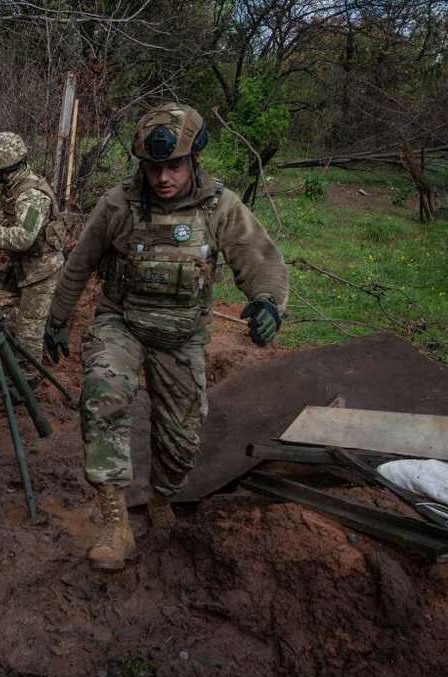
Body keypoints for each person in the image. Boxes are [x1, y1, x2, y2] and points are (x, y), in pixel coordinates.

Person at [42, 102, 289, 572]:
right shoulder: (119, 205)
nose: (162, 178)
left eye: (173, 165)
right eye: (153, 167)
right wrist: (56, 320)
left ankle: (161, 498)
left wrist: (267, 303)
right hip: (122, 322)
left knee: (181, 437)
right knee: (103, 392)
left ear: (193, 160)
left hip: (182, 336)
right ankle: (115, 521)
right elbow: (80, 264)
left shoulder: (221, 208)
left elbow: (260, 260)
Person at [0, 132, 66, 389]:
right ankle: (4, 361)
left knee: (29, 327)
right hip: (21, 265)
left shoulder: (32, 195)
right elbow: (8, 214)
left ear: (2, 166)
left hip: (41, 269)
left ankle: (27, 380)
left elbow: (24, 237)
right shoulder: (16, 187)